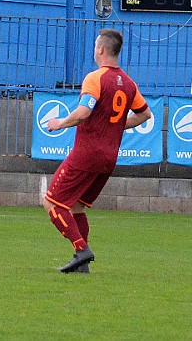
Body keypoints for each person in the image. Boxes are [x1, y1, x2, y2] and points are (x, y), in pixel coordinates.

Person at [44, 29, 152, 273]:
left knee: (52, 203)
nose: (94, 50)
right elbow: (145, 114)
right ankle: (81, 264)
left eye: (95, 46)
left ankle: (82, 249)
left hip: (87, 154)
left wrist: (59, 123)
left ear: (101, 49)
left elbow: (84, 112)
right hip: (109, 158)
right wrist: (112, 126)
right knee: (77, 207)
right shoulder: (129, 83)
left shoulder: (96, 78)